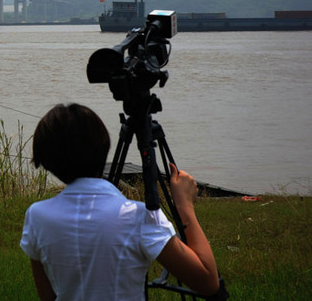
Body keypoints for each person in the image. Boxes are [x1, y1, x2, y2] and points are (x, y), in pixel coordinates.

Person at [20, 103, 220, 301]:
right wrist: (184, 205)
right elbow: (208, 283)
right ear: (103, 145)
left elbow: (48, 296)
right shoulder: (140, 216)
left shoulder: (37, 216)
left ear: (46, 161)